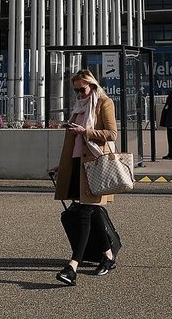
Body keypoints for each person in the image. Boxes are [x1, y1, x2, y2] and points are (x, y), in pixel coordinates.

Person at [53, 70, 122, 286]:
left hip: (94, 165)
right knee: (91, 213)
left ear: (92, 86)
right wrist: (62, 165)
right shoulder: (79, 108)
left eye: (82, 89)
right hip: (76, 165)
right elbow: (74, 143)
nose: (79, 94)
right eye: (75, 90)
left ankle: (72, 266)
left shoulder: (104, 102)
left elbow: (112, 134)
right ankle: (108, 254)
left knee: (85, 213)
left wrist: (86, 131)